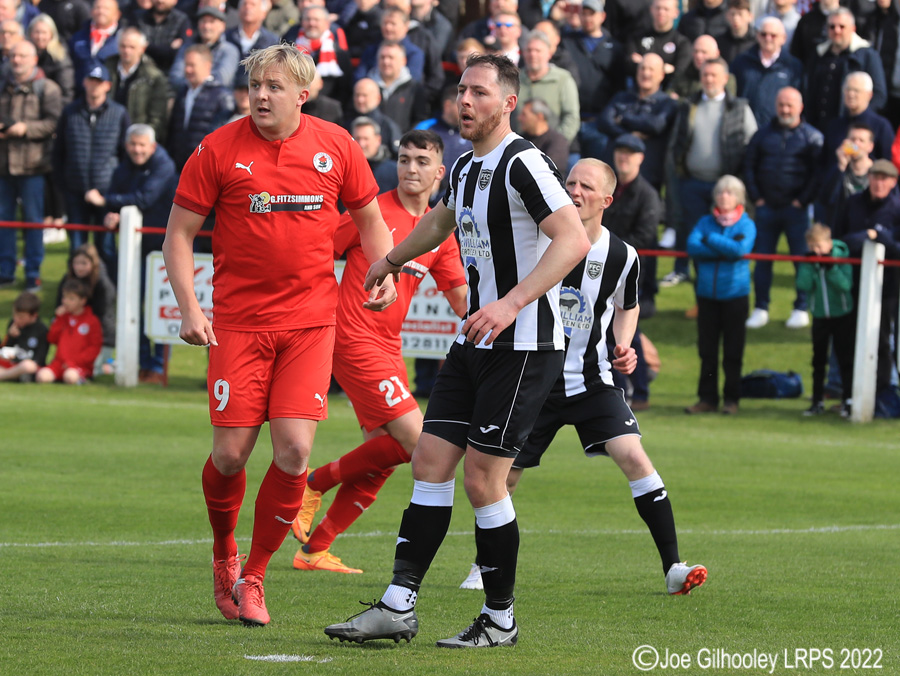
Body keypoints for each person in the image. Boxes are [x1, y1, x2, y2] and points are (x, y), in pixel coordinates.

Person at [323, 52, 590, 649]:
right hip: (476, 340)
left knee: (483, 481)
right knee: (429, 464)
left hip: (524, 342)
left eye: (479, 93)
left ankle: (499, 620)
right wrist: (387, 260)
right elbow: (439, 223)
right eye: (461, 90)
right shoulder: (467, 166)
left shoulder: (525, 164)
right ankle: (397, 606)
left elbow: (572, 238)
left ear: (510, 103)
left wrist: (511, 303)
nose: (464, 101)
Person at [161, 43, 397, 628]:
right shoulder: (216, 149)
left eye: (272, 86)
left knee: (293, 452)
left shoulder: (337, 145)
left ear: (302, 93)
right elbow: (178, 235)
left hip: (311, 325)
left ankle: (255, 577)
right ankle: (224, 554)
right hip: (238, 326)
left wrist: (385, 269)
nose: (261, 96)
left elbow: (371, 219)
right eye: (254, 86)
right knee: (231, 454)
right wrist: (190, 307)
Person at [458, 158, 706, 596]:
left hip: (593, 379)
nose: (575, 190)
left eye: (586, 186)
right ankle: (484, 565)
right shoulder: (538, 241)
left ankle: (673, 568)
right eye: (569, 182)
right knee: (503, 477)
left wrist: (624, 343)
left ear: (607, 200)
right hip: (536, 378)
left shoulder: (622, 255)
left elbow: (627, 305)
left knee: (635, 457)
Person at [291, 129, 467, 573]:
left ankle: (315, 550)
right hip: (350, 337)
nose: (410, 168)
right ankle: (313, 483)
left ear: (439, 172)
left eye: (421, 162)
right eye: (404, 159)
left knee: (385, 455)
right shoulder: (370, 213)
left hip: (389, 347)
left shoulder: (438, 232)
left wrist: (509, 314)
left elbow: (464, 299)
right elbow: (313, 253)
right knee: (417, 440)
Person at [88, 124, 177, 381]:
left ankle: (158, 367)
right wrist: (115, 211)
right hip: (133, 246)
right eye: (133, 145)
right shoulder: (124, 166)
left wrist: (106, 202)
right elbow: (123, 194)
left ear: (153, 145)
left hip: (162, 247)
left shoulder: (164, 165)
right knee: (131, 304)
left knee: (160, 306)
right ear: (127, 146)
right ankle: (142, 362)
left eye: (142, 145)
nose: (137, 150)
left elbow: (144, 198)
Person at [665, 57, 757, 287]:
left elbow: (753, 144)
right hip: (693, 182)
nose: (709, 79)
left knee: (723, 239)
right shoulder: (688, 106)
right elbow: (677, 142)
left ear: (725, 79)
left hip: (725, 186)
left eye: (714, 75)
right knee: (694, 233)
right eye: (705, 75)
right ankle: (694, 281)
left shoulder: (740, 108)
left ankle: (721, 284)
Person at [743, 86, 823, 330]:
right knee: (762, 260)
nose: (785, 110)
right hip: (766, 208)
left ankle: (801, 307)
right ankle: (761, 307)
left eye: (790, 105)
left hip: (796, 210)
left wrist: (802, 200)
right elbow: (749, 166)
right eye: (781, 105)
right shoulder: (762, 135)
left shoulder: (812, 137)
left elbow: (817, 174)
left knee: (802, 261)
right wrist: (757, 197)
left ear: (800, 107)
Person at [685, 175, 756, 415]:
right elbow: (692, 246)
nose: (723, 196)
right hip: (706, 296)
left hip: (735, 295)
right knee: (707, 351)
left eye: (729, 192)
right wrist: (721, 246)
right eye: (720, 192)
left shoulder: (746, 224)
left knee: (733, 351)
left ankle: (731, 399)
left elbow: (739, 251)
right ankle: (707, 398)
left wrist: (711, 239)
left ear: (739, 198)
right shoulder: (705, 221)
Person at [53, 62, 129, 274]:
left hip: (107, 192)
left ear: (108, 85)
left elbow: (125, 156)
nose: (94, 87)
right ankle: (76, 297)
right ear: (84, 82)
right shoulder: (69, 112)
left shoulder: (119, 113)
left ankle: (110, 293)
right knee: (77, 248)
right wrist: (65, 187)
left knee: (106, 247)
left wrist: (116, 191)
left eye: (99, 82)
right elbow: (58, 152)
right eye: (91, 81)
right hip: (75, 192)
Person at [0, 40, 63, 292]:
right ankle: (5, 270)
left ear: (34, 59)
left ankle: (33, 273)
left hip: (34, 166)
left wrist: (24, 129)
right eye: (14, 55)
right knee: (3, 221)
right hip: (4, 167)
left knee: (33, 222)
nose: (17, 60)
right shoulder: (3, 86)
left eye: (22, 56)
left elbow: (53, 124)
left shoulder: (48, 88)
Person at [796, 223, 854, 416]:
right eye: (812, 247)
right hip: (820, 315)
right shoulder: (810, 260)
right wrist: (810, 267)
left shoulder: (841, 257)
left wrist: (831, 269)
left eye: (819, 246)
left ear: (829, 243)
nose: (816, 251)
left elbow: (845, 286)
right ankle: (817, 401)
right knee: (818, 360)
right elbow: (803, 285)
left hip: (842, 315)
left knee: (845, 359)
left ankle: (848, 400)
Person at [803, 8, 887, 133]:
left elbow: (879, 95)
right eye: (832, 26)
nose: (837, 31)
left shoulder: (867, 55)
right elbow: (807, 89)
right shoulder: (819, 54)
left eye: (842, 26)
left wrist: (859, 120)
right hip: (818, 127)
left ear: (853, 29)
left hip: (850, 129)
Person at [167, 44, 234, 171]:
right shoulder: (182, 92)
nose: (187, 70)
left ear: (207, 65)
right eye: (186, 65)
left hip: (206, 168)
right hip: (180, 167)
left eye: (192, 65)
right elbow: (173, 131)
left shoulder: (222, 96)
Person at [731, 16, 804, 128]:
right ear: (757, 36)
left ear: (783, 38)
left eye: (773, 35)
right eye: (763, 34)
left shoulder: (793, 66)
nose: (768, 38)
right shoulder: (742, 62)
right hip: (744, 126)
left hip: (777, 130)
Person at [106, 27, 171, 145]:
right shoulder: (106, 70)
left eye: (132, 47)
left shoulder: (154, 77)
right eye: (123, 46)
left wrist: (142, 142)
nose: (127, 51)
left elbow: (157, 118)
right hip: (108, 137)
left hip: (136, 143)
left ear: (142, 49)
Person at [54, 243, 115, 363]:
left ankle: (109, 363)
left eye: (84, 263)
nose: (79, 267)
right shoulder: (68, 278)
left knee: (96, 367)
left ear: (93, 263)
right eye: (76, 263)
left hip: (100, 335)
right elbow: (59, 306)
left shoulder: (102, 284)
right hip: (74, 332)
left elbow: (103, 315)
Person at [35, 278, 103, 384]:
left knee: (70, 377)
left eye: (71, 299)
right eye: (64, 298)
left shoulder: (92, 321)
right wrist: (58, 319)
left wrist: (74, 361)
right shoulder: (62, 318)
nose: (66, 302)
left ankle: (83, 379)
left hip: (79, 365)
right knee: (42, 376)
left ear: (83, 301)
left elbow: (94, 348)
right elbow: (52, 338)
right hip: (59, 363)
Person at [0, 290, 48, 381]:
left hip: (28, 365)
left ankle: (5, 375)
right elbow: (5, 350)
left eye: (21, 317)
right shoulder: (13, 324)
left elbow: (40, 360)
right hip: (12, 364)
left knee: (28, 366)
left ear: (34, 315)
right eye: (14, 315)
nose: (16, 319)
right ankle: (14, 375)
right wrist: (10, 336)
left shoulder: (42, 330)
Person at [28, 13, 75, 104]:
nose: (40, 37)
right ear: (30, 33)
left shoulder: (60, 57)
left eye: (44, 33)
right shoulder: (24, 53)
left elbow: (67, 93)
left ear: (52, 34)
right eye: (37, 32)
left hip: (51, 105)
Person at [517, 97, 569, 175]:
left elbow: (550, 167)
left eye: (524, 114)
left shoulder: (558, 141)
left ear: (539, 116)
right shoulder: (519, 139)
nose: (519, 118)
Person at [351, 116, 399, 194]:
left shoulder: (393, 171)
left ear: (378, 140)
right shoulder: (345, 169)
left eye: (366, 139)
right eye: (357, 138)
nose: (361, 144)